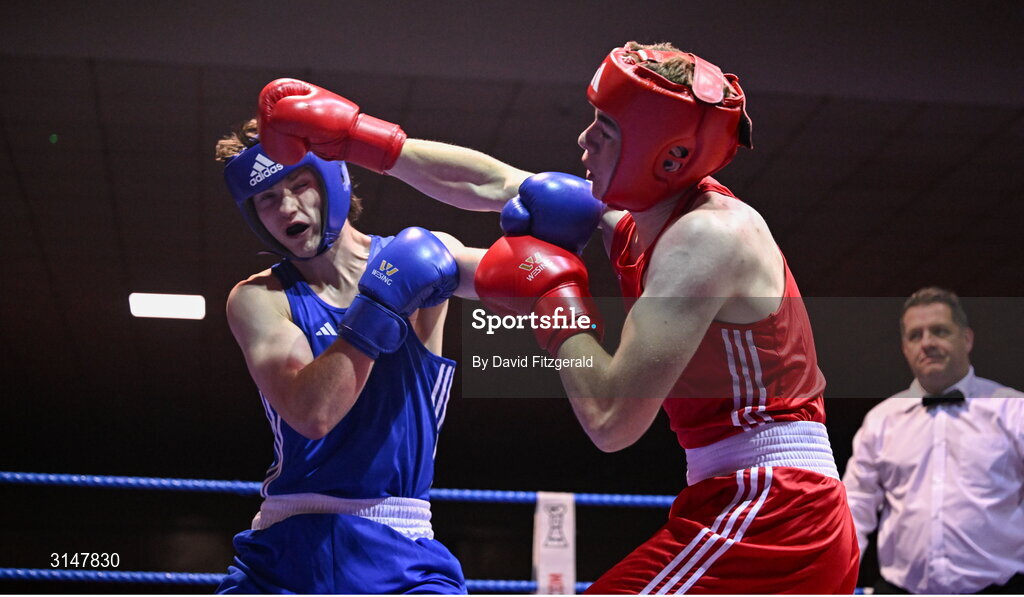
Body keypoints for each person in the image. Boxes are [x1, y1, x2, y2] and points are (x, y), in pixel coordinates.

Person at [254, 40, 859, 594]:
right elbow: (496, 182)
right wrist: (361, 138)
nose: (583, 142)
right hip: (742, 498)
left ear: (666, 155)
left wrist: (555, 300)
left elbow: (612, 420)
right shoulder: (642, 224)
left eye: (606, 128)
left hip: (774, 511)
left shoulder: (706, 238)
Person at [212, 119, 483, 594]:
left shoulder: (424, 255)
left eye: (299, 186)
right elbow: (313, 413)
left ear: (333, 182)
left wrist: (561, 222)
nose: (287, 207)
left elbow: (526, 283)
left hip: (402, 545)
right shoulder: (258, 298)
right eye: (268, 198)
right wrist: (382, 303)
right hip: (285, 549)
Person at [843, 287, 1024, 594]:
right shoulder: (881, 419)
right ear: (904, 347)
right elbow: (854, 509)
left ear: (966, 339)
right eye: (915, 335)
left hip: (1000, 588)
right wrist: (835, 582)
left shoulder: (1012, 409)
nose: (927, 343)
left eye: (939, 331)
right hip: (901, 588)